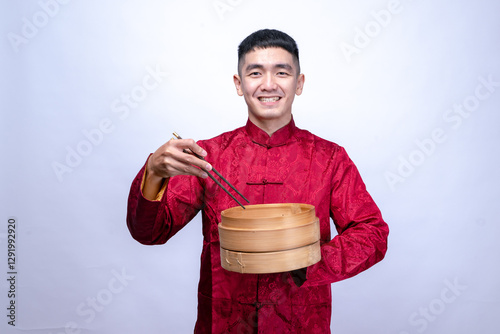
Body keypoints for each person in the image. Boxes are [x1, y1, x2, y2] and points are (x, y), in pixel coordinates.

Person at [127, 29, 389, 333]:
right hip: (222, 323)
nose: (268, 84)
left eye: (282, 72)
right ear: (239, 84)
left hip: (301, 324)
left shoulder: (329, 158)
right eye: (255, 72)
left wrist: (310, 263)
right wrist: (155, 172)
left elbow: (372, 233)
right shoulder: (208, 157)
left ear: (299, 83)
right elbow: (149, 232)